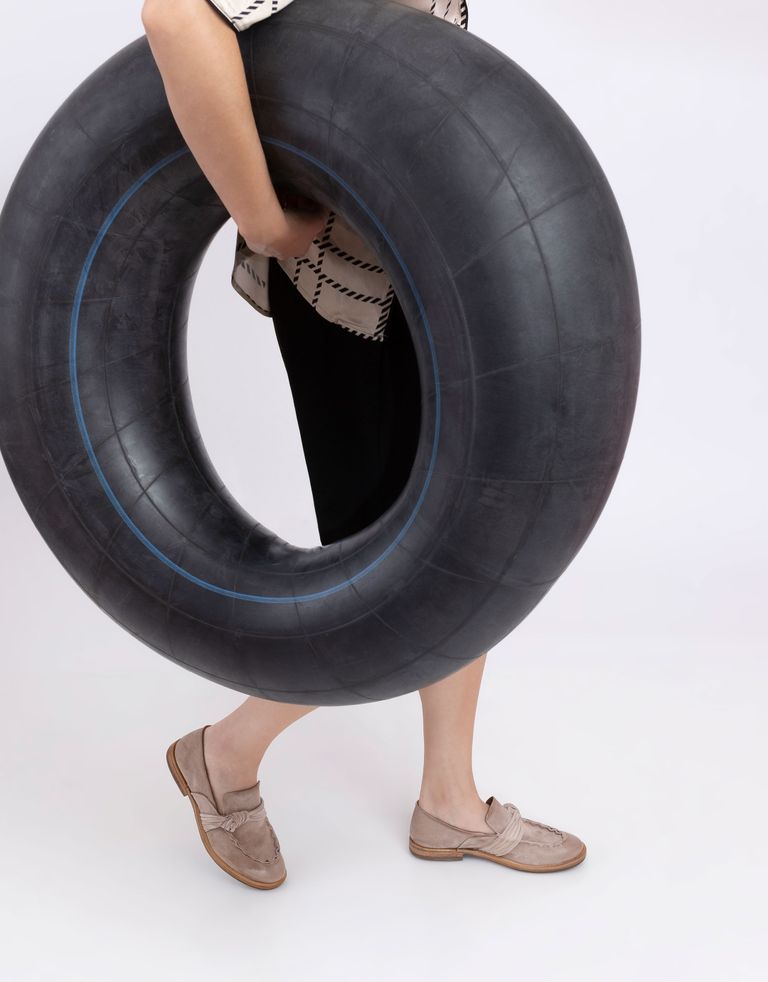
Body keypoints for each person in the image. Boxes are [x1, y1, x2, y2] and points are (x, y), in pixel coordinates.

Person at [143, 0, 586, 889]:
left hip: (444, 270)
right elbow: (176, 16)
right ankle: (223, 754)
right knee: (389, 587)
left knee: (469, 539)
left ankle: (449, 802)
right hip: (347, 293)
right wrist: (264, 223)